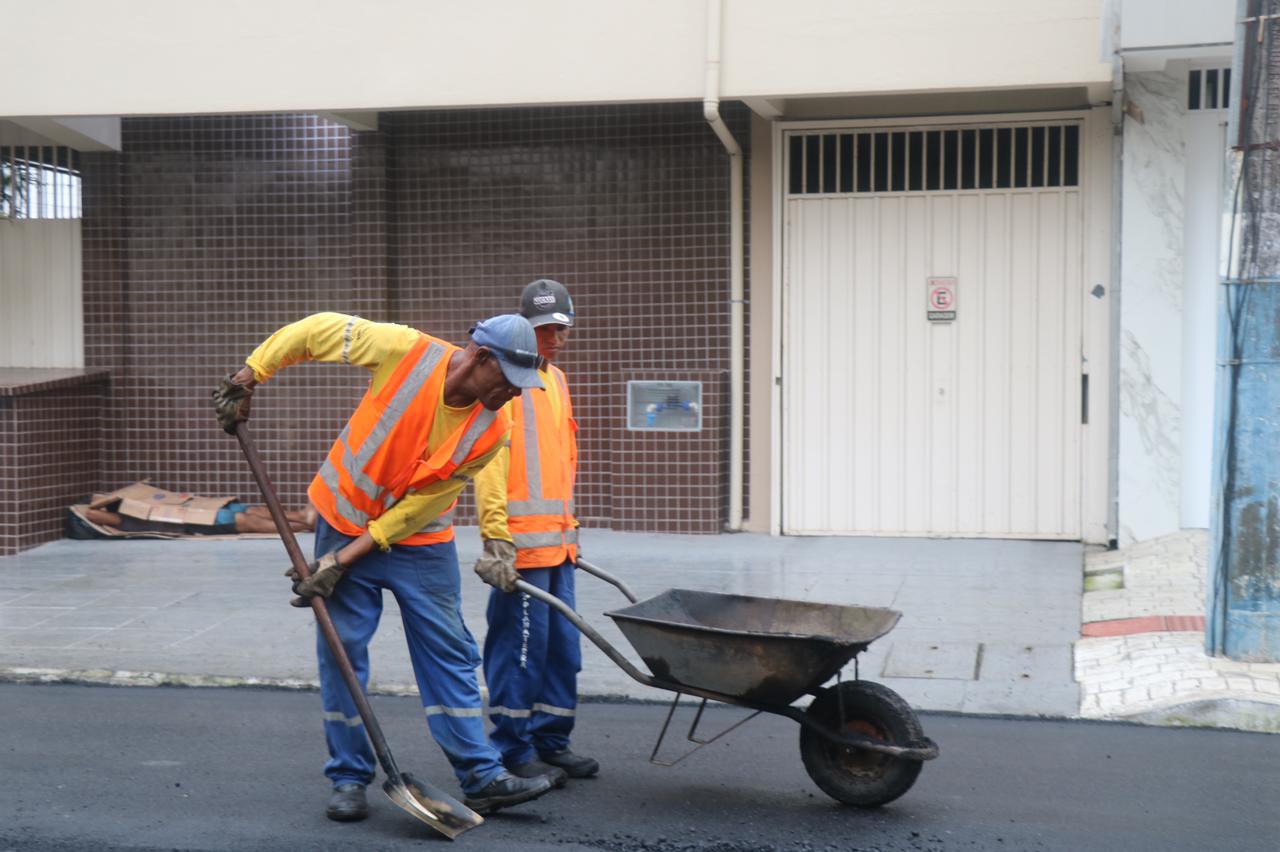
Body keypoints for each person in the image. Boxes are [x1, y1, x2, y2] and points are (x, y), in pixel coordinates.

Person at [212, 311, 557, 822]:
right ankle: (349, 777)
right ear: (481, 357)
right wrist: (250, 375)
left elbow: (419, 507)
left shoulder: (493, 430)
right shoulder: (405, 350)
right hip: (342, 516)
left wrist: (341, 560)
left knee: (450, 651)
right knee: (343, 651)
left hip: (420, 543)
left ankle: (482, 776)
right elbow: (314, 331)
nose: (516, 394)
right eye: (510, 380)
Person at [472, 279, 598, 786]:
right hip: (520, 549)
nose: (556, 338)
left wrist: (571, 531)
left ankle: (552, 740)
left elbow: (561, 462)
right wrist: (495, 536)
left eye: (561, 328)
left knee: (562, 652)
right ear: (527, 327)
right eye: (546, 329)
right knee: (518, 654)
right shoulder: (508, 380)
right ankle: (512, 746)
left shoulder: (559, 382)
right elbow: (487, 462)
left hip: (559, 547)